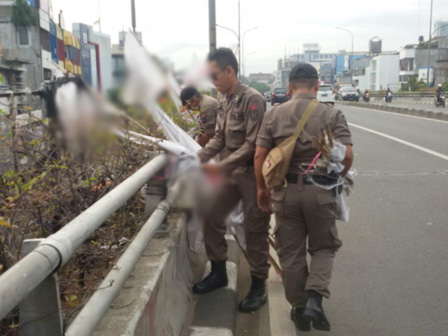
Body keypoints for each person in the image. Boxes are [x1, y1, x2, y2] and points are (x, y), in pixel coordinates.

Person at [254, 63, 354, 332]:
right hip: (320, 192)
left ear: (289, 87)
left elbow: (260, 156)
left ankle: (299, 309)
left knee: (291, 252)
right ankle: (314, 300)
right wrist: (333, 177)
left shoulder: (274, 114)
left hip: (285, 193)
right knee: (324, 247)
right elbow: (347, 157)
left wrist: (262, 189)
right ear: (317, 86)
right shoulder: (332, 114)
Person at [193, 48, 271, 313]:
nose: (212, 82)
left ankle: (259, 285)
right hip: (229, 173)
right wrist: (199, 158)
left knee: (254, 228)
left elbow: (252, 145)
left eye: (215, 75)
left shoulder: (253, 99)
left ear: (229, 71)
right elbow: (219, 137)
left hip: (251, 174)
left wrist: (220, 167)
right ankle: (218, 272)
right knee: (209, 213)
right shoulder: (223, 98)